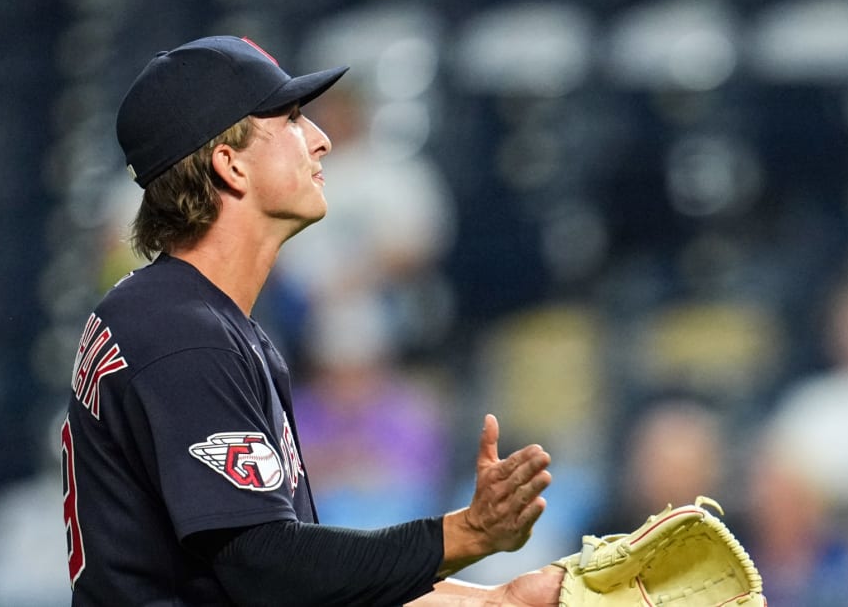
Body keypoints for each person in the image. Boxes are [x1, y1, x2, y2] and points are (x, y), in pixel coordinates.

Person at [60, 35, 561, 606]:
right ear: (230, 165)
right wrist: (467, 533)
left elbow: (302, 581)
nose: (321, 140)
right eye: (293, 119)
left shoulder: (190, 318)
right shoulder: (182, 334)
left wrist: (506, 601)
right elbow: (269, 569)